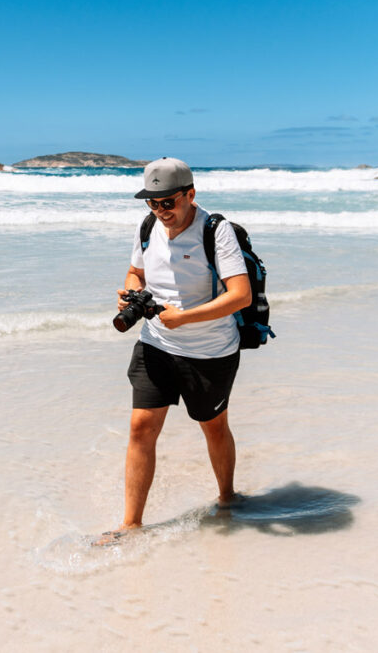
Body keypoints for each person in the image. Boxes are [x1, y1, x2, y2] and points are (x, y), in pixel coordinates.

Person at [113, 157, 251, 532]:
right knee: (141, 426)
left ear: (190, 194)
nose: (160, 211)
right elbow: (135, 272)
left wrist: (184, 317)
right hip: (155, 343)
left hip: (209, 351)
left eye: (168, 202)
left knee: (213, 426)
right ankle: (131, 525)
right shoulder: (148, 226)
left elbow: (241, 295)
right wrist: (131, 293)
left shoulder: (215, 231)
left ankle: (227, 498)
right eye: (152, 203)